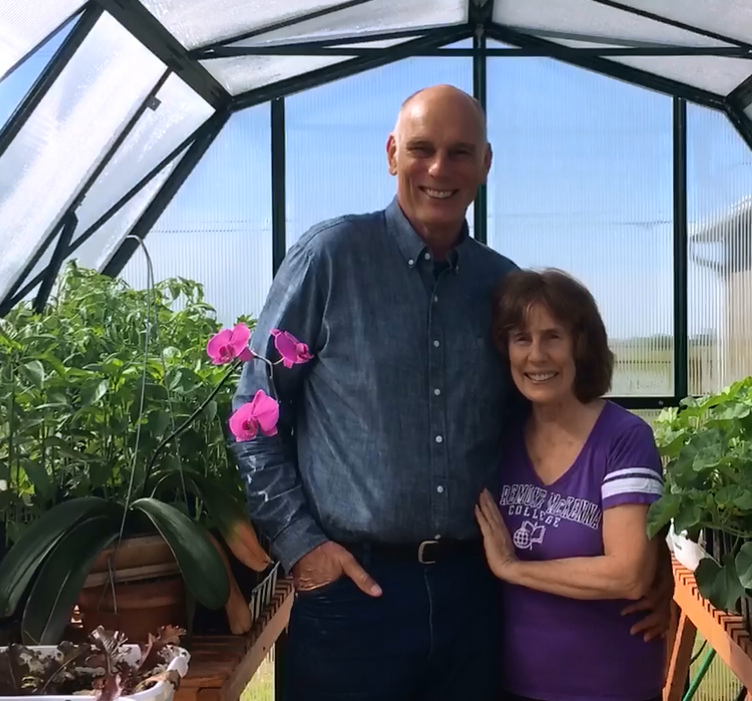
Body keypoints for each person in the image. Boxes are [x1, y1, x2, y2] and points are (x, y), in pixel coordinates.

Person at [229, 85, 673, 701]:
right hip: (352, 592)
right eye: (422, 149)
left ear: (485, 163)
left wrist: (649, 562)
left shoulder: (501, 287)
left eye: (461, 152)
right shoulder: (330, 259)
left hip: (475, 595)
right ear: (392, 153)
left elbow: (551, 437)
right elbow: (254, 414)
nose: (440, 169)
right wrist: (303, 547)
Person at [475, 268, 667, 701]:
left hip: (612, 687)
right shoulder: (500, 440)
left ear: (581, 344)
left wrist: (513, 568)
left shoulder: (622, 439)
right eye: (521, 339)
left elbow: (629, 573)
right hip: (514, 684)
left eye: (553, 337)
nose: (536, 356)